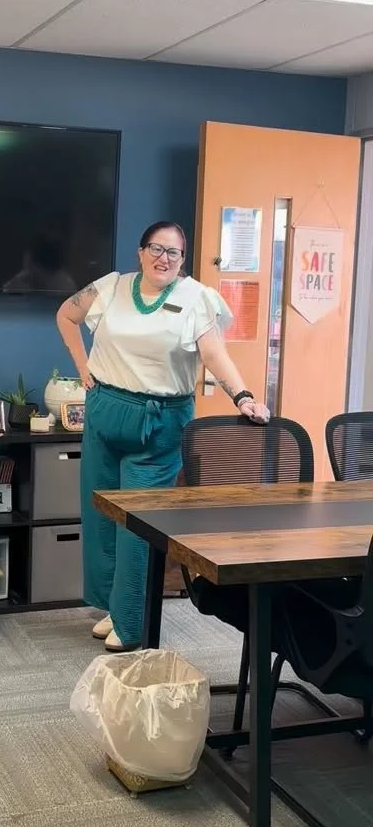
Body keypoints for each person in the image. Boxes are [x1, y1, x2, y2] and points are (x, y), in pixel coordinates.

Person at [56, 221, 270, 652]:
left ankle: (131, 622)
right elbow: (66, 314)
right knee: (102, 517)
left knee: (138, 525)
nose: (164, 258)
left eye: (173, 252)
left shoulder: (196, 298)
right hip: (105, 412)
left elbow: (214, 354)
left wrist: (242, 395)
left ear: (182, 259)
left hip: (158, 423)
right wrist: (82, 367)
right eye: (156, 248)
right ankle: (113, 607)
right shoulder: (111, 287)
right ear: (140, 252)